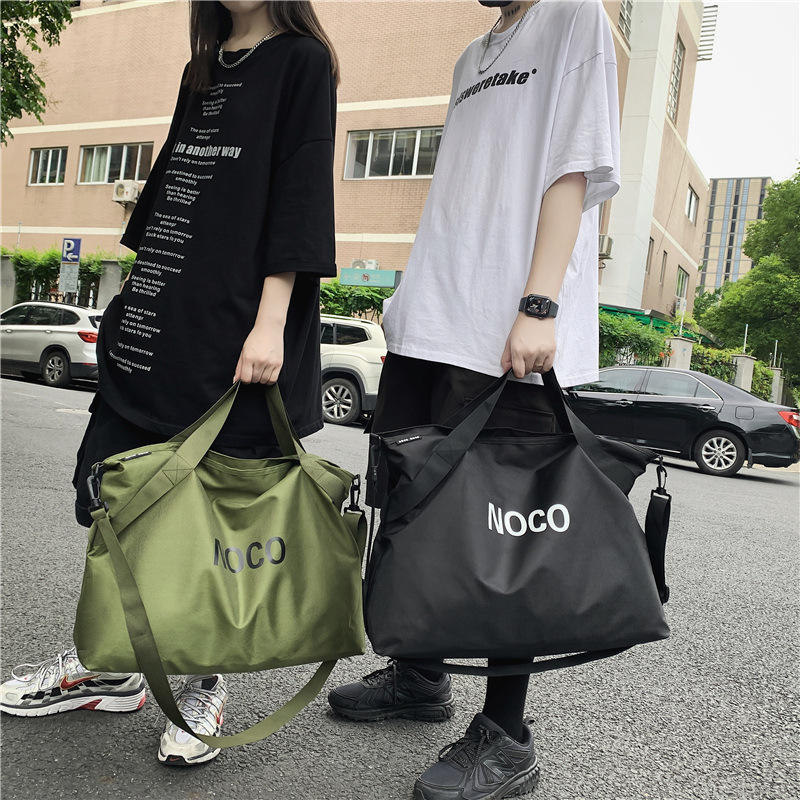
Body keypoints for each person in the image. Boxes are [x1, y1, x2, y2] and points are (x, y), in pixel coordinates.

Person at [0, 0, 339, 768]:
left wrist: (271, 325)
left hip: (237, 329)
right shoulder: (204, 66)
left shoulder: (302, 61)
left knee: (214, 513)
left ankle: (205, 680)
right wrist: (134, 295)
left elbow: (299, 192)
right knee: (113, 491)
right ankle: (108, 663)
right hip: (162, 315)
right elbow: (171, 188)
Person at [327, 1, 621, 798]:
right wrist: (411, 296)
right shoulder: (469, 57)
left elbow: (575, 168)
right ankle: (420, 676)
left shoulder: (573, 15)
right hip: (433, 322)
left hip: (508, 330)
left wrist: (540, 304)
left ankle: (508, 735)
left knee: (507, 533)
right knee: (413, 505)